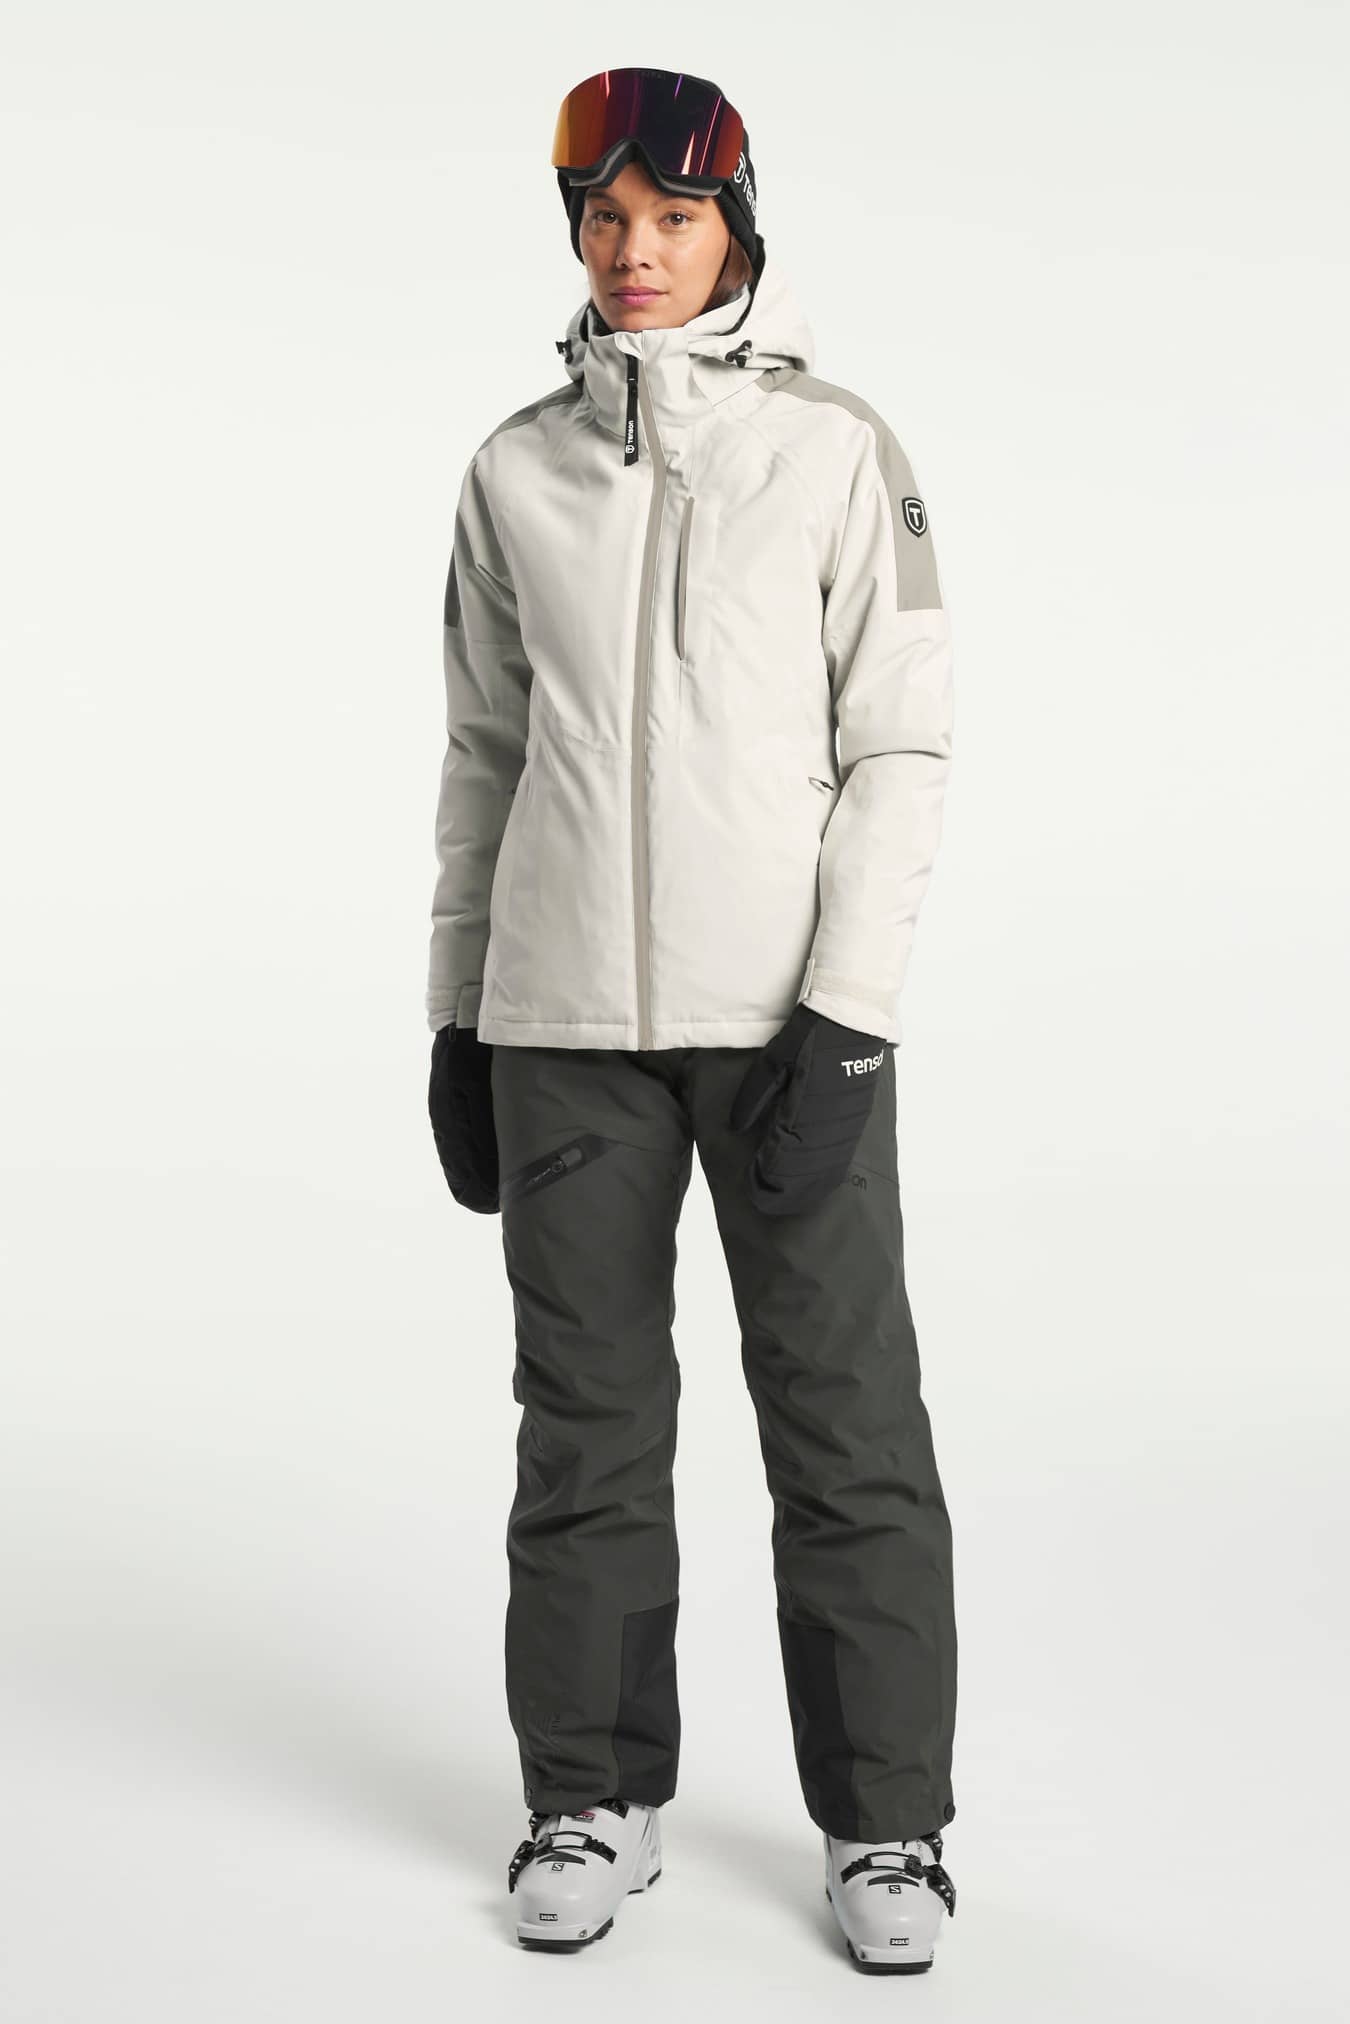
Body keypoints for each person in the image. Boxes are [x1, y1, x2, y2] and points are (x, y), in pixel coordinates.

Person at [426, 67, 958, 1973]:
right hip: (562, 1022)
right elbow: (484, 757)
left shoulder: (832, 450)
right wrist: (457, 1012)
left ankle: (885, 1828)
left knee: (842, 1421)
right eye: (603, 218)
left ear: (737, 227)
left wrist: (851, 1013)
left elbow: (899, 744)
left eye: (672, 218)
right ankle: (590, 1794)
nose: (634, 251)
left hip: (784, 1027)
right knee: (582, 1429)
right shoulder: (515, 470)